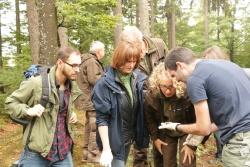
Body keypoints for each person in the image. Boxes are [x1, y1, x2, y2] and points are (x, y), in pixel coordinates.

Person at [162, 47, 250, 167]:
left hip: (240, 142)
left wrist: (177, 127)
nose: (175, 80)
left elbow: (204, 128)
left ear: (180, 65)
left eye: (173, 75)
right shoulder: (226, 65)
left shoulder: (195, 79)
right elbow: (224, 119)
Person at [5, 47, 82, 167]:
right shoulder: (36, 83)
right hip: (37, 153)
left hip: (63, 151)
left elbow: (61, 109)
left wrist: (70, 113)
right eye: (74, 65)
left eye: (79, 66)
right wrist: (28, 110)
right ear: (60, 62)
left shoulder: (72, 87)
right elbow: (10, 102)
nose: (77, 70)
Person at [92, 40, 149, 167]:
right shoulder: (104, 84)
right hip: (113, 142)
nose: (131, 65)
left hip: (128, 138)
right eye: (128, 61)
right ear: (119, 59)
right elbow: (102, 119)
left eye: (134, 61)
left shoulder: (136, 79)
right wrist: (106, 149)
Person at [119, 25, 167, 167]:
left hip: (163, 101)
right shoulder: (127, 55)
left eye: (133, 46)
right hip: (141, 103)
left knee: (162, 142)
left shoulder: (158, 45)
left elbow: (170, 68)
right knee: (141, 146)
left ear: (141, 41)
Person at [145, 62, 197, 167]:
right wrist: (155, 138)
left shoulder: (188, 93)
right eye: (164, 86)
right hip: (166, 131)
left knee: (187, 161)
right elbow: (150, 119)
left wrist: (191, 144)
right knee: (167, 162)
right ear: (157, 83)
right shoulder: (152, 96)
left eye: (171, 87)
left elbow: (199, 121)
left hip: (187, 129)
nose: (168, 91)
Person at [75, 40, 105, 163]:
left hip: (86, 98)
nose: (104, 52)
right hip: (92, 99)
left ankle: (86, 153)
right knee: (94, 128)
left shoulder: (86, 60)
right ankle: (93, 155)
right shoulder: (92, 62)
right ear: (98, 51)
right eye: (103, 50)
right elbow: (94, 79)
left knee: (89, 127)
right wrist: (106, 79)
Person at [202, 45, 227, 160]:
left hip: (229, 114)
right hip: (215, 113)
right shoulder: (205, 77)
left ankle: (223, 155)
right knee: (218, 135)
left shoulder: (227, 73)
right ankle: (220, 154)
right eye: (206, 60)